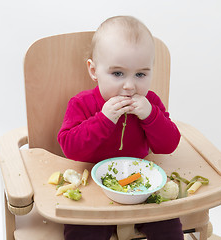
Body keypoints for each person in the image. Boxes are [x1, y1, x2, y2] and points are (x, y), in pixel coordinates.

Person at [58, 16, 183, 240]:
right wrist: (104, 119)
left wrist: (150, 115)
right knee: (79, 232)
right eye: (117, 74)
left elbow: (169, 145)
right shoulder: (82, 104)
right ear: (94, 71)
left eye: (141, 74)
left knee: (170, 226)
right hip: (93, 190)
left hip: (142, 188)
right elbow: (69, 147)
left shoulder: (150, 103)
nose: (129, 85)